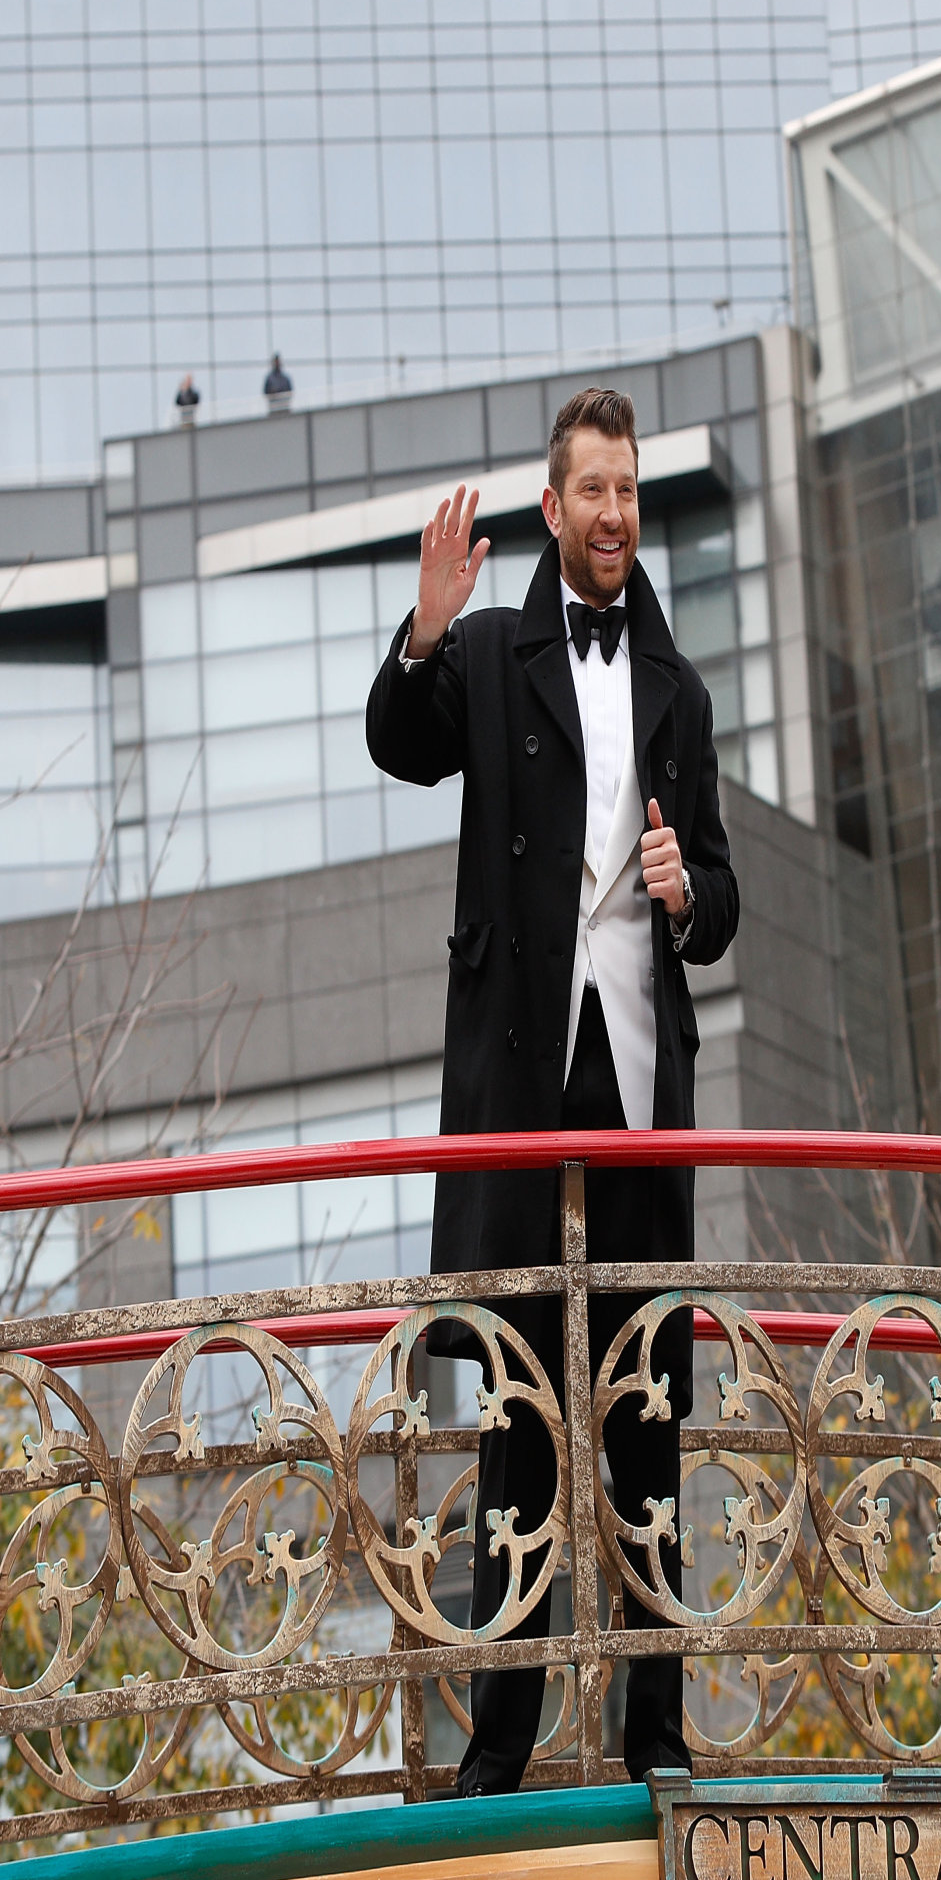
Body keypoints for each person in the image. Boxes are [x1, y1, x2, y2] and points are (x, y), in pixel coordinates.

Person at [366, 386, 739, 1795]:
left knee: (643, 1412)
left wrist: (684, 889)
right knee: (522, 1413)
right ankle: (498, 1747)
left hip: (638, 1077)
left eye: (631, 493)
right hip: (526, 1071)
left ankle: (657, 1739)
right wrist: (422, 629)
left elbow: (719, 900)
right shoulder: (493, 648)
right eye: (595, 492)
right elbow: (400, 744)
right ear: (554, 504)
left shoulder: (680, 690)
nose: (616, 515)